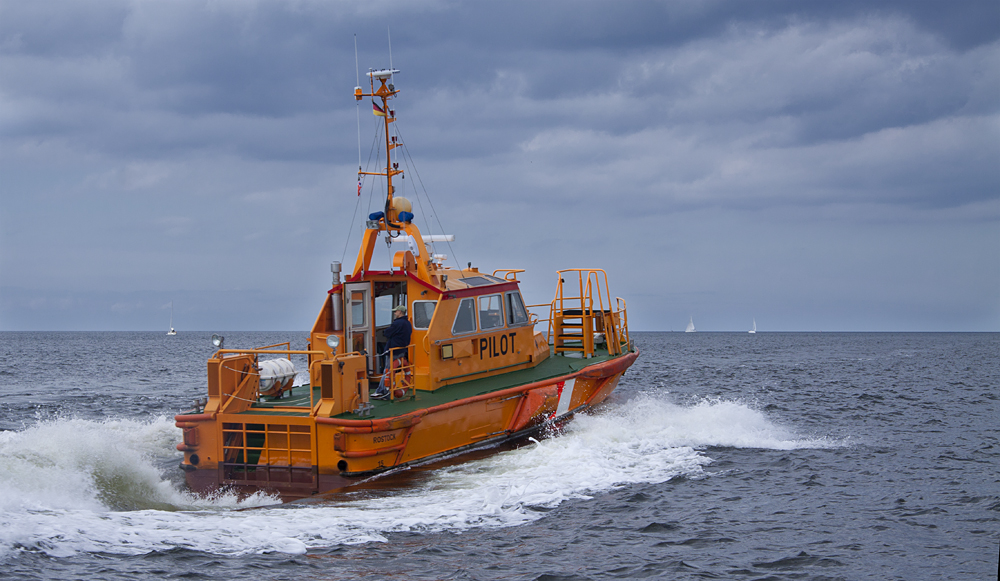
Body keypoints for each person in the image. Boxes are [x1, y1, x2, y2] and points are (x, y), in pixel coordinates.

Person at [373, 304, 412, 399]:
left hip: (393, 351)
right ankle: (388, 390)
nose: (394, 313)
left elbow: (387, 333)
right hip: (402, 350)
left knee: (387, 371)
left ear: (400, 312)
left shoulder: (397, 323)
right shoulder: (407, 323)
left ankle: (381, 391)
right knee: (391, 371)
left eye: (396, 311)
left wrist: (387, 332)